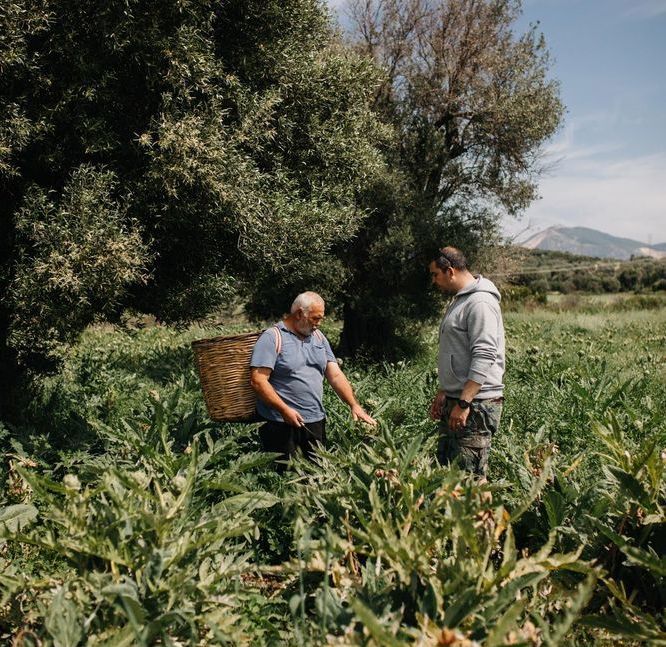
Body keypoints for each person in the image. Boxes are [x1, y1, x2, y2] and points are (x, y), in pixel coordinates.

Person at [250, 291, 375, 469]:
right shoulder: (272, 337)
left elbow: (335, 374)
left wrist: (354, 405)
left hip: (315, 421)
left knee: (317, 478)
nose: (318, 324)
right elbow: (258, 381)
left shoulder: (319, 338)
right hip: (280, 423)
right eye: (315, 319)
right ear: (300, 313)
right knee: (285, 479)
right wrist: (284, 410)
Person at [428, 247, 505, 478]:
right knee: (447, 475)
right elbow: (457, 351)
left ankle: (480, 515)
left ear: (450, 271)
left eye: (435, 274)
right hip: (458, 399)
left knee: (469, 480)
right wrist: (445, 390)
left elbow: (484, 353)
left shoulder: (480, 302)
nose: (434, 281)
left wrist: (463, 403)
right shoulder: (460, 300)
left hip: (475, 404)